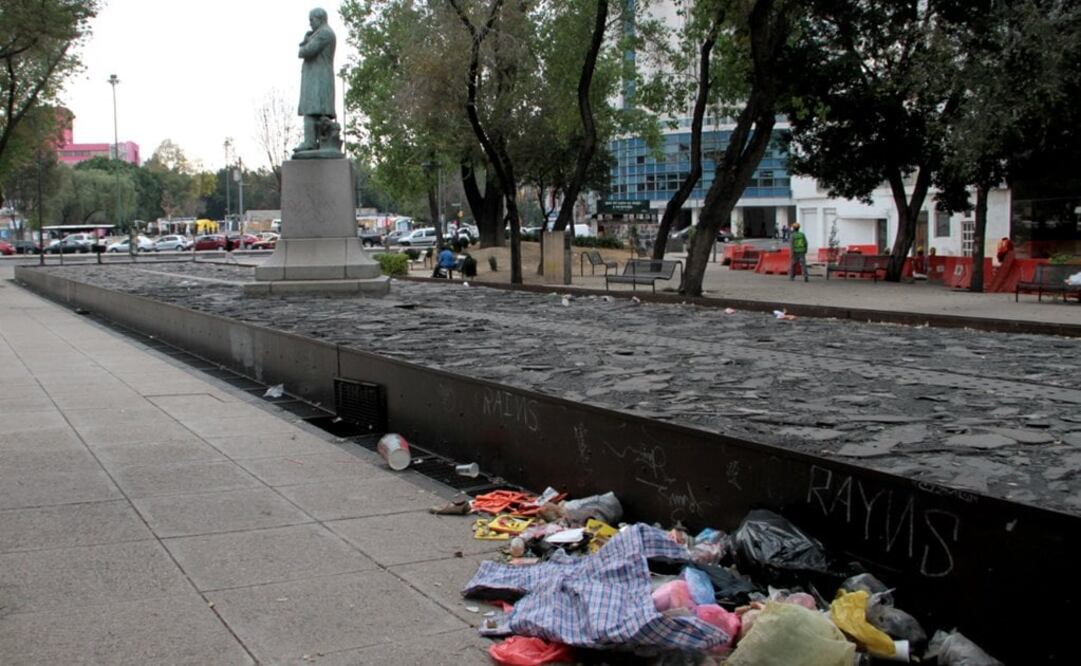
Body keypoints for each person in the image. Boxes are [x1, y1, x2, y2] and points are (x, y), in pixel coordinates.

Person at [294, 8, 337, 154]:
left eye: (311, 20)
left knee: (311, 110)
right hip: (316, 78)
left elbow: (305, 51)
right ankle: (314, 141)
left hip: (318, 80)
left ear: (320, 19)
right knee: (313, 111)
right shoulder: (321, 33)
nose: (310, 23)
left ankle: (310, 142)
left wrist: (306, 41)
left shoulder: (325, 33)